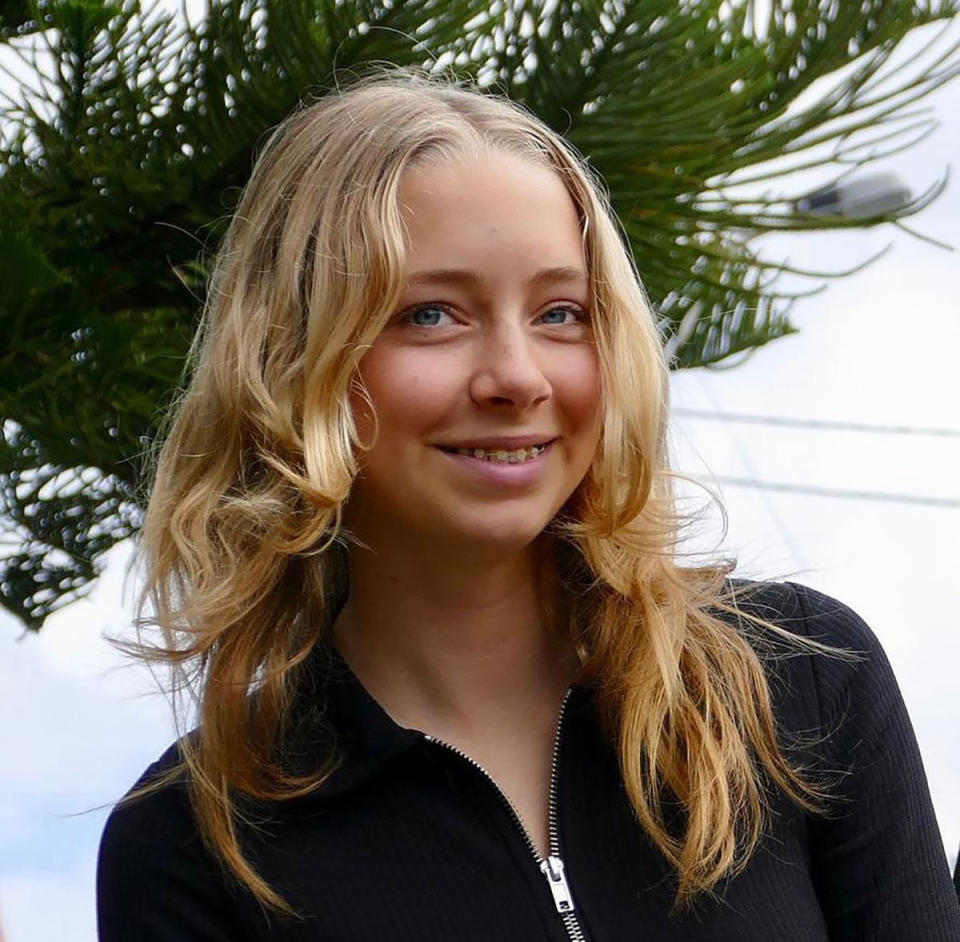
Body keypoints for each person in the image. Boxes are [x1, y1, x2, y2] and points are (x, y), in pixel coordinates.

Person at [96, 71, 960, 941]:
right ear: (290, 360)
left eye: (560, 312)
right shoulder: (193, 848)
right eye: (431, 314)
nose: (516, 375)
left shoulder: (801, 681)